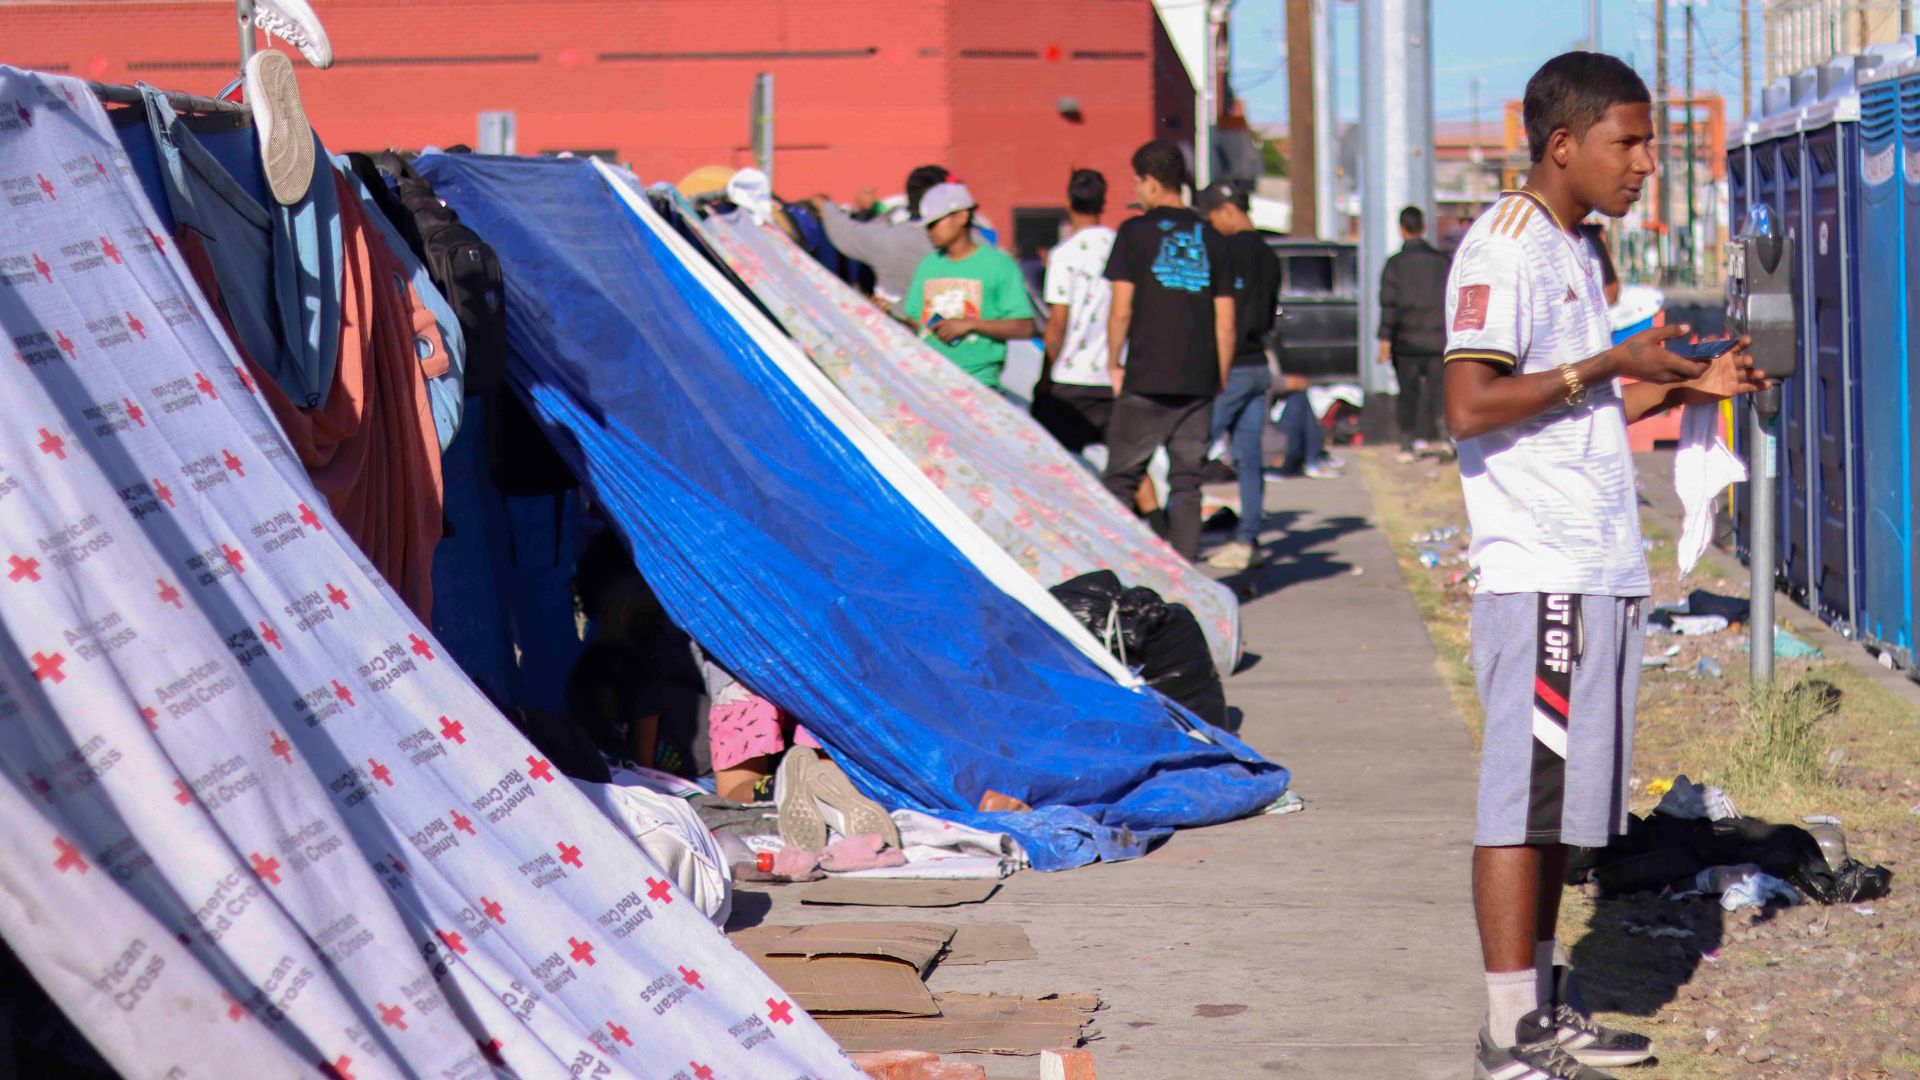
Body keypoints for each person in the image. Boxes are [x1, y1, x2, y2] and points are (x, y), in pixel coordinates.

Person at [1444, 52, 1768, 1080]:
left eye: (1650, 146)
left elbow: (1579, 407)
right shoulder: (1505, 250)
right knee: (1522, 807)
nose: (1644, 167)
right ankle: (1509, 1031)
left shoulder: (1577, 250)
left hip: (1594, 568)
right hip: (1539, 569)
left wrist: (1682, 384)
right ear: (1563, 144)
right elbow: (1470, 406)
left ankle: (1543, 1007)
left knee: (1562, 816)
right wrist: (1609, 360)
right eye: (1628, 145)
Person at [1100, 140, 1235, 562]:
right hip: (1197, 379)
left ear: (1152, 183)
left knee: (1122, 478)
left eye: (1138, 183)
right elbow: (1225, 321)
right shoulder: (1212, 237)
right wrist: (1220, 374)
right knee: (1187, 483)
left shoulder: (1133, 233)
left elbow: (1121, 309)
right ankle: (1187, 578)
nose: (1138, 192)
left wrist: (1113, 361)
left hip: (1145, 375)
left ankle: (1109, 570)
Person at [1193, 181, 1281, 571]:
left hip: (1232, 365)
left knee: (1192, 449)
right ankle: (1248, 538)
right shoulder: (1269, 254)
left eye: (1212, 218)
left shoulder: (1227, 252)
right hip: (1260, 363)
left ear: (1228, 210)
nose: (1211, 227)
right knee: (1249, 459)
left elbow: (1222, 318)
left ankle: (1179, 534)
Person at [902, 182, 1037, 390]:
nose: (930, 231)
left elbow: (1024, 327)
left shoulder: (999, 265)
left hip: (980, 386)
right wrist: (882, 316)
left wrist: (971, 324)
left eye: (934, 223)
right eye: (927, 225)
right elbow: (914, 324)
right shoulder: (928, 265)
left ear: (962, 217)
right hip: (930, 385)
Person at [1034, 168, 1119, 452]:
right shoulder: (1121, 247)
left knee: (1063, 465)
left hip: (1070, 378)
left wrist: (1044, 376)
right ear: (1103, 204)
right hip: (1112, 375)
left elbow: (1058, 321)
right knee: (1127, 469)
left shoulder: (1064, 254)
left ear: (1068, 203)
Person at [812, 164, 951, 306]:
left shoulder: (889, 239)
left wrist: (825, 205)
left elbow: (843, 231)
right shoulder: (970, 240)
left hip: (900, 322)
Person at [1377, 204, 1452, 462]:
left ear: (1401, 229)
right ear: (1424, 227)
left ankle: (1407, 443)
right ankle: (1445, 438)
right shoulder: (1442, 262)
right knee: (1440, 392)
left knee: (1407, 393)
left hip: (1406, 342)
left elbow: (1389, 304)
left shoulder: (1395, 265)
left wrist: (1385, 339)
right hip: (1438, 339)